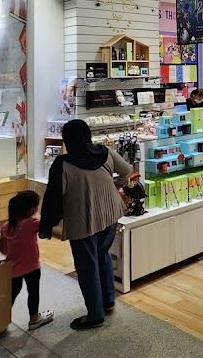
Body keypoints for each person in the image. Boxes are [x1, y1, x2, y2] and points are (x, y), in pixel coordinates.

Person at [40, 119, 132, 330]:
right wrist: (113, 185)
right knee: (102, 255)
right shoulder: (105, 152)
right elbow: (127, 170)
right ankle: (108, 300)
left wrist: (47, 223)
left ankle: (95, 315)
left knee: (86, 266)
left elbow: (53, 197)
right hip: (110, 213)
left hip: (82, 219)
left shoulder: (63, 164)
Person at [0, 190, 53, 331]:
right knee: (33, 292)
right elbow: (47, 227)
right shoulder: (32, 223)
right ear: (31, 210)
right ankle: (34, 319)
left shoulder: (5, 228)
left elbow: (3, 250)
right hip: (32, 268)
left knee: (11, 295)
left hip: (13, 270)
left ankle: (1, 323)